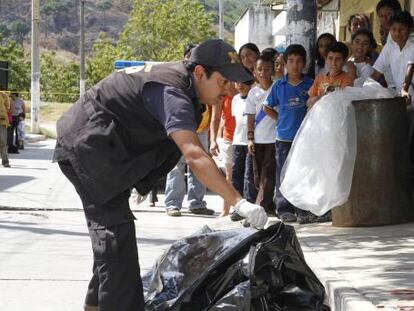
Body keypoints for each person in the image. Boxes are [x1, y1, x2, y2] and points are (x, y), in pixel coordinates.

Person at [54, 39, 268, 311]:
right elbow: (193, 154)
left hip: (107, 150)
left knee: (114, 239)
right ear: (200, 73)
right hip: (88, 148)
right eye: (224, 82)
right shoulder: (172, 91)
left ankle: (94, 306)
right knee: (116, 239)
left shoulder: (185, 87)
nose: (228, 91)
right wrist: (239, 202)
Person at [263, 44, 314, 223]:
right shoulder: (279, 85)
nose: (295, 65)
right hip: (283, 137)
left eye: (299, 61)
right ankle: (284, 208)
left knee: (302, 172)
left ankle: (302, 208)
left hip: (304, 137)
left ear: (304, 64)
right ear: (284, 64)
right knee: (283, 173)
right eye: (291, 61)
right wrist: (279, 119)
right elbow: (267, 106)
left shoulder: (310, 84)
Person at [163, 43, 214, 217]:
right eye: (191, 55)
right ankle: (172, 204)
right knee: (176, 167)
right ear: (185, 57)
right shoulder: (178, 76)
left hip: (201, 129)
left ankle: (197, 203)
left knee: (200, 166)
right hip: (180, 129)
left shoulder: (204, 74)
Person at [245, 55, 276, 215]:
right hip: (257, 140)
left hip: (273, 139)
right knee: (256, 176)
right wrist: (250, 138)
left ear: (273, 70)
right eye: (260, 69)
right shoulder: (253, 93)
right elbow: (250, 117)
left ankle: (263, 206)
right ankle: (262, 204)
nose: (263, 72)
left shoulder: (277, 88)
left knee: (268, 174)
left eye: (267, 69)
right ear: (255, 72)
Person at [210, 83, 238, 217]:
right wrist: (213, 140)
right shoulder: (221, 95)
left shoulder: (245, 89)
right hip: (228, 139)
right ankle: (226, 209)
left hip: (244, 139)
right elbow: (214, 119)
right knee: (229, 175)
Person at [231, 79, 256, 210]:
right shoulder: (235, 99)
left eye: (243, 82)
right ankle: (237, 205)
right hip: (237, 140)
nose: (240, 84)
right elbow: (236, 120)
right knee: (236, 173)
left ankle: (249, 204)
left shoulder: (254, 97)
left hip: (250, 141)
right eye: (238, 82)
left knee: (249, 174)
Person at [307, 42, 355, 109]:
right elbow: (309, 102)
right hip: (319, 116)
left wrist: (321, 99)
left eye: (338, 59)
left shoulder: (347, 79)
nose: (333, 63)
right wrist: (314, 100)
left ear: (344, 60)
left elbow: (342, 102)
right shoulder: (319, 78)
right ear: (325, 59)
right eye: (330, 58)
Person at [0, 91, 10, 167]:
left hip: (2, 121)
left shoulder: (3, 95)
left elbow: (7, 107)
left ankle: (5, 161)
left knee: (3, 142)